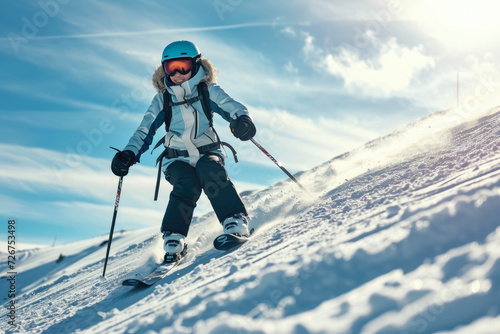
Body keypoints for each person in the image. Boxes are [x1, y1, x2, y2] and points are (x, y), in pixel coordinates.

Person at [111, 40, 256, 262]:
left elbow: (233, 107)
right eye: (171, 68)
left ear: (196, 65)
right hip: (176, 158)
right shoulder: (162, 100)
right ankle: (174, 238)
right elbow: (144, 130)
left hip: (208, 151)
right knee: (185, 185)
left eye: (183, 66)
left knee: (210, 171)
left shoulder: (209, 91)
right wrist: (128, 154)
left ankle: (235, 220)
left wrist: (242, 120)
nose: (178, 74)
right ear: (164, 70)